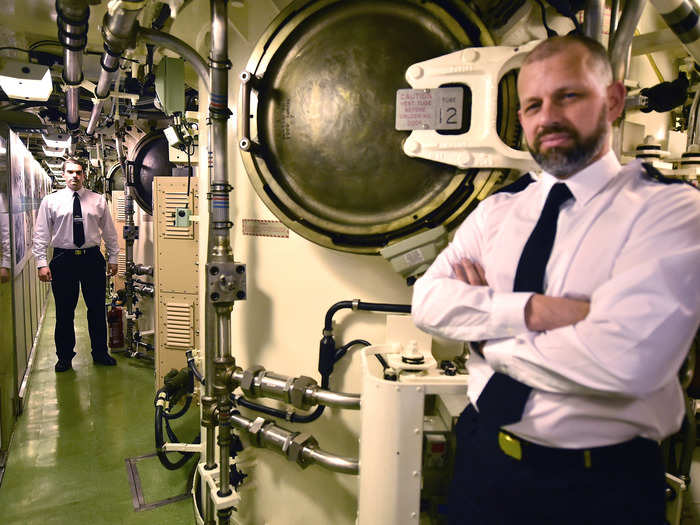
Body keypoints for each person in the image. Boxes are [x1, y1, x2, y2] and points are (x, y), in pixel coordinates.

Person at [412, 34, 700, 525]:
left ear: (611, 100)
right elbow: (428, 302)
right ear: (521, 119)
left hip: (603, 485)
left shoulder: (669, 209)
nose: (547, 117)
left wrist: (485, 339)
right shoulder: (496, 213)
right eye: (532, 105)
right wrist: (533, 312)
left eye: (568, 96)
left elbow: (627, 360)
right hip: (485, 463)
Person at [33, 156, 120, 372]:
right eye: (70, 172)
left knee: (97, 309)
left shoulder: (98, 200)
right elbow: (41, 234)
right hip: (64, 260)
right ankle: (64, 357)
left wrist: (114, 257)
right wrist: (42, 262)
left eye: (79, 172)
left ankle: (100, 352)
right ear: (63, 175)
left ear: (84, 175)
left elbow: (109, 232)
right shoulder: (51, 201)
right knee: (64, 312)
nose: (75, 176)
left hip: (92, 258)